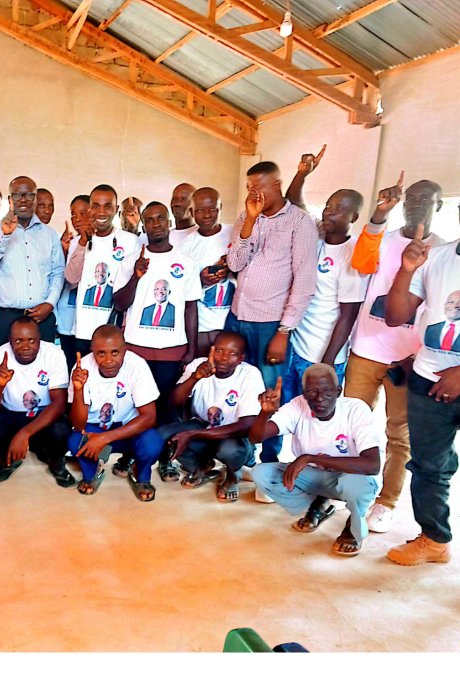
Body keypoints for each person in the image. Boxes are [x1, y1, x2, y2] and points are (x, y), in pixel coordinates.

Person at [383, 178, 460, 604]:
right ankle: (433, 539)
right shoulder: (436, 257)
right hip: (428, 382)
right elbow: (396, 316)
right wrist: (406, 271)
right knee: (429, 467)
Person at [343, 174, 448, 533]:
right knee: (351, 422)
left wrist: (415, 355)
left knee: (399, 434)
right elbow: (359, 263)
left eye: (426, 199)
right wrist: (378, 214)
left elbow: (439, 311)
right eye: (412, 199)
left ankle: (386, 501)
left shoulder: (444, 252)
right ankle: (343, 487)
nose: (417, 204)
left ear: (439, 205)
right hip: (366, 350)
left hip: (410, 359)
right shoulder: (383, 239)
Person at [225, 161, 318, 476]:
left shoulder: (299, 222)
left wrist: (284, 330)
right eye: (249, 187)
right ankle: (240, 454)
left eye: (260, 187)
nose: (254, 193)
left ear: (278, 185)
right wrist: (250, 222)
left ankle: (270, 460)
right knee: (240, 384)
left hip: (270, 323)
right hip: (238, 315)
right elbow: (235, 264)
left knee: (271, 389)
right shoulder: (245, 217)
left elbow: (304, 282)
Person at [251, 365, 381, 557]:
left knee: (354, 486)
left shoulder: (356, 409)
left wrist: (310, 458)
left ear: (338, 391)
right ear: (304, 393)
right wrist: (264, 413)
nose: (319, 399)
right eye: (312, 392)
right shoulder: (297, 405)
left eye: (327, 392)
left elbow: (372, 465)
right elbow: (256, 438)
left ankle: (352, 527)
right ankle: (320, 503)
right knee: (261, 473)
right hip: (314, 476)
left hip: (350, 476)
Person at [113, 202, 198, 482]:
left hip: (172, 350)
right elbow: (119, 303)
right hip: (136, 347)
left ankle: (165, 459)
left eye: (161, 218)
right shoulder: (131, 260)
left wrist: (192, 348)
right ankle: (132, 454)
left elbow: (190, 307)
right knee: (135, 405)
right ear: (144, 226)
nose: (156, 224)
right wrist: (136, 276)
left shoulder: (185, 261)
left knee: (166, 409)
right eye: (150, 220)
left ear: (169, 222)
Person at [281, 161, 368, 400]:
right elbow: (295, 205)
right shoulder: (316, 236)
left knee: (318, 417)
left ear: (354, 216)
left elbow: (348, 314)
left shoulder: (352, 254)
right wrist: (302, 173)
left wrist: (327, 362)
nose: (329, 211)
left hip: (323, 354)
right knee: (288, 410)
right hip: (296, 347)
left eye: (339, 208)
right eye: (328, 206)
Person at [0, 316, 75, 487]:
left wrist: (24, 434)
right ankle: (8, 460)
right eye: (18, 340)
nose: (25, 346)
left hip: (43, 414)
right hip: (10, 414)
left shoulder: (54, 354)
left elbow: (59, 404)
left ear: (40, 338)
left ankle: (55, 462)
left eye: (31, 340)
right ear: (9, 341)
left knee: (62, 429)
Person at [158, 331, 264, 501]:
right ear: (212, 350)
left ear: (240, 359)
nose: (223, 357)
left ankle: (232, 476)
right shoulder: (199, 365)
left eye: (233, 354)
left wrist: (193, 434)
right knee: (163, 436)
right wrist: (195, 377)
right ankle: (202, 466)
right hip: (202, 426)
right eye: (219, 350)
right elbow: (172, 403)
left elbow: (246, 425)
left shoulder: (250, 375)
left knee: (230, 450)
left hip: (234, 436)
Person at [68, 325, 162, 501]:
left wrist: (104, 439)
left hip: (128, 429)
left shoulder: (136, 365)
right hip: (96, 428)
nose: (108, 360)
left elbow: (149, 418)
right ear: (92, 351)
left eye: (115, 352)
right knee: (75, 441)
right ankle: (93, 473)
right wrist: (78, 389)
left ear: (125, 350)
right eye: (101, 353)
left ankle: (141, 475)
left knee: (152, 442)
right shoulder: (82, 368)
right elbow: (79, 425)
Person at [0, 176, 64, 346]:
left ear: (36, 198)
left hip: (42, 316)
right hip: (6, 318)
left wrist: (50, 303)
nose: (24, 200)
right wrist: (5, 236)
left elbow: (58, 272)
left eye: (29, 195)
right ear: (10, 199)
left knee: (43, 369)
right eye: (18, 195)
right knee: (5, 368)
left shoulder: (50, 234)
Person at [65, 184, 141, 357]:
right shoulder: (78, 241)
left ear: (116, 209)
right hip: (84, 330)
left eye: (108, 206)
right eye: (96, 206)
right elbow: (71, 278)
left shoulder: (130, 241)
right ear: (90, 208)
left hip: (115, 329)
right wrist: (83, 243)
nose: (102, 212)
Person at [181, 188, 234, 354]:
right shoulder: (186, 245)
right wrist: (200, 280)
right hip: (201, 325)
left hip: (232, 322)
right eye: (200, 210)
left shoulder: (235, 234)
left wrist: (230, 265)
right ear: (191, 212)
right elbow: (181, 286)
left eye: (213, 209)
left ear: (220, 208)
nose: (206, 215)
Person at [55, 195, 90, 371]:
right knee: (70, 367)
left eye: (82, 213)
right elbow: (68, 277)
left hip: (89, 322)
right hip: (67, 320)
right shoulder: (73, 243)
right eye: (73, 214)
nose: (76, 219)